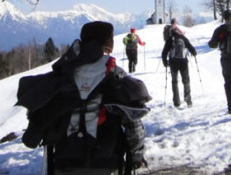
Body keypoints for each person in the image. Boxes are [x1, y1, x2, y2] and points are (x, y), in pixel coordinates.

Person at [17, 21, 150, 175]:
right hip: (106, 161)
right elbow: (133, 125)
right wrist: (136, 157)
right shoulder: (114, 75)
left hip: (64, 160)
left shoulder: (64, 73)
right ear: (108, 42)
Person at [161, 28, 197, 108]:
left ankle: (176, 102)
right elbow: (192, 48)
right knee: (186, 80)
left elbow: (164, 52)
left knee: (174, 81)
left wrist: (165, 62)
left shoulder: (170, 39)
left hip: (173, 63)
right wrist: (194, 53)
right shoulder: (183, 38)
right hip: (183, 62)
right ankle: (188, 100)